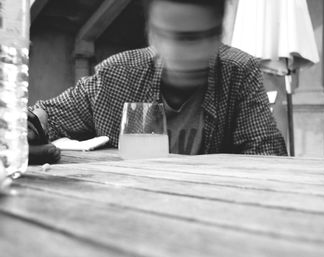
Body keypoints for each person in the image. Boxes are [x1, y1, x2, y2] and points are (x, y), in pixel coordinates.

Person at [28, 0, 287, 164]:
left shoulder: (239, 72)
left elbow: (268, 157)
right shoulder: (118, 74)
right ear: (150, 32)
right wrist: (18, 135)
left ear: (219, 34)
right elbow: (46, 116)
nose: (180, 52)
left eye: (195, 37)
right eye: (169, 36)